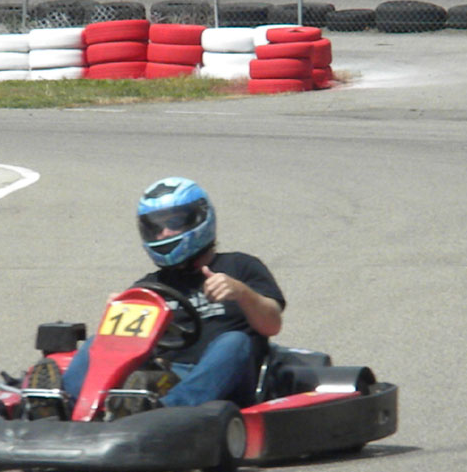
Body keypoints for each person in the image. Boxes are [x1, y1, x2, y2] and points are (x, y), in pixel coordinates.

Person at [25, 177, 285, 420]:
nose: (163, 234)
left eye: (174, 223)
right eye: (156, 227)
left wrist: (243, 293)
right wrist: (117, 315)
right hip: (166, 376)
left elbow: (271, 325)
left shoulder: (241, 266)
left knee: (234, 341)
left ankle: (167, 413)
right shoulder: (150, 286)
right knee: (97, 342)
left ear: (199, 219)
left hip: (229, 378)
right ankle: (61, 407)